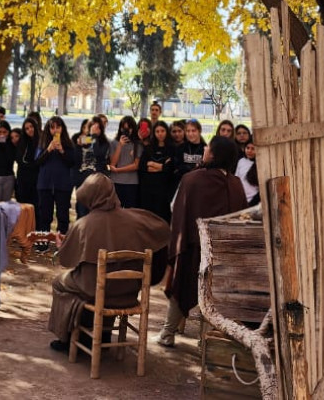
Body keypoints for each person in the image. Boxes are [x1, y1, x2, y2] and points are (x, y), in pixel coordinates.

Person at [47, 175, 170, 352]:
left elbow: (66, 260)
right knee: (102, 279)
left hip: (95, 291)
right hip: (129, 291)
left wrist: (62, 246)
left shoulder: (83, 224)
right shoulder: (136, 219)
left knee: (61, 282)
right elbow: (164, 230)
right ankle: (103, 334)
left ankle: (67, 339)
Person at [158, 136, 248, 347]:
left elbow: (176, 210)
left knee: (181, 285)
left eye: (208, 147)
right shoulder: (236, 184)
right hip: (222, 253)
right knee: (214, 298)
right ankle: (206, 342)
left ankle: (167, 334)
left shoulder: (192, 179)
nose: (205, 149)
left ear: (214, 154)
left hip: (193, 248)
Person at [35, 117, 78, 239]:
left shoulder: (69, 144)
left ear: (62, 128)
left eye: (58, 127)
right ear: (48, 129)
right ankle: (43, 241)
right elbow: (37, 162)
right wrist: (48, 150)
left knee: (63, 216)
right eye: (52, 127)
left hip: (63, 185)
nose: (55, 130)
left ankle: (62, 242)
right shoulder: (42, 143)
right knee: (45, 215)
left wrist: (62, 151)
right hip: (45, 185)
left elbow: (72, 162)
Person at [138, 121, 177, 222]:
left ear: (167, 132)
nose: (160, 133)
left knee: (163, 219)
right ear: (154, 133)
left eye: (162, 131)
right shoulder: (148, 148)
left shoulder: (172, 148)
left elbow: (171, 168)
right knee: (148, 218)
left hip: (165, 190)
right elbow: (143, 166)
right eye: (157, 131)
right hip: (148, 190)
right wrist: (162, 166)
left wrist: (153, 164)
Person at [108, 116, 142, 209]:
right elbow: (113, 163)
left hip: (131, 182)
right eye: (124, 128)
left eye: (129, 128)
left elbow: (136, 165)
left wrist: (118, 170)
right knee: (115, 210)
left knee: (130, 211)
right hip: (116, 181)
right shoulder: (114, 142)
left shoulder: (137, 144)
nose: (126, 131)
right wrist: (120, 145)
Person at [16, 118, 41, 214]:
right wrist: (34, 164)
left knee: (37, 208)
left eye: (31, 127)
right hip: (24, 179)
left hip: (37, 179)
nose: (30, 130)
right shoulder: (23, 142)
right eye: (27, 128)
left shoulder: (41, 141)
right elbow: (21, 160)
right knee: (25, 208)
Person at [236, 142, 260, 206]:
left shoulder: (260, 163)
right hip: (241, 197)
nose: (249, 151)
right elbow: (236, 178)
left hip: (255, 198)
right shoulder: (241, 161)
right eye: (248, 148)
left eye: (253, 149)